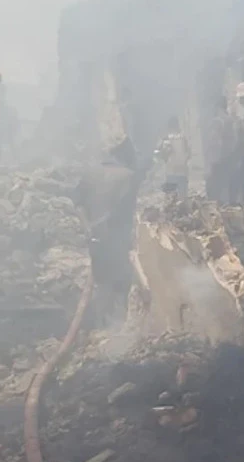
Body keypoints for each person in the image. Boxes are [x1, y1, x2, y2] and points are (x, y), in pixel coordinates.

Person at [76, 137, 144, 326]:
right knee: (121, 282)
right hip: (116, 238)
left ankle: (100, 327)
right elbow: (127, 212)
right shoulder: (128, 176)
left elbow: (78, 203)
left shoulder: (91, 173)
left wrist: (87, 226)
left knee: (102, 282)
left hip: (95, 237)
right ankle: (120, 327)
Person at [154, 116, 191, 199]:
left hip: (171, 172)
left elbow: (161, 154)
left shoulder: (166, 139)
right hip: (183, 172)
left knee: (171, 200)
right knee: (183, 197)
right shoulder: (184, 137)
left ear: (169, 127)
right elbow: (189, 154)